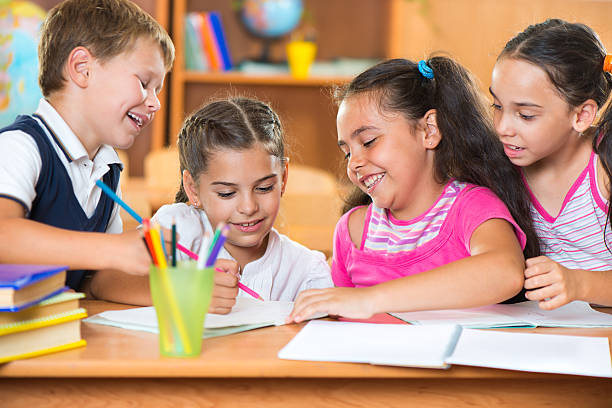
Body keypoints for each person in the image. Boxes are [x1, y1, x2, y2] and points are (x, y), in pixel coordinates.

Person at [288, 57, 541, 323]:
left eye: (369, 141)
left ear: (428, 130)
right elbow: (335, 318)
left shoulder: (471, 207)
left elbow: (505, 272)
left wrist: (370, 298)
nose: (354, 163)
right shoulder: (353, 230)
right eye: (347, 153)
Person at [0, 0, 174, 305]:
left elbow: (98, 280)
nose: (155, 103)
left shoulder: (107, 169)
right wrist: (114, 248)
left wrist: (181, 289)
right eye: (145, 83)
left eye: (157, 89)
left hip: (62, 339)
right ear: (82, 69)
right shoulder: (20, 146)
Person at [151, 97, 333, 314]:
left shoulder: (306, 271)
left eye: (264, 188)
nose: (248, 207)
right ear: (192, 188)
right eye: (226, 193)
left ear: (283, 178)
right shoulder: (177, 229)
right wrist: (183, 288)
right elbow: (105, 283)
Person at [490, 19, 612, 310]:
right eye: (497, 106)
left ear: (582, 115)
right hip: (541, 333)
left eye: (526, 115)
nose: (503, 127)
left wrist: (578, 284)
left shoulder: (604, 169)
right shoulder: (502, 166)